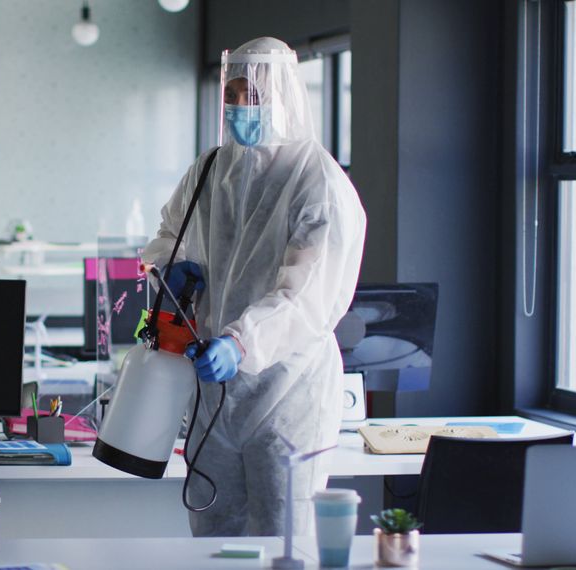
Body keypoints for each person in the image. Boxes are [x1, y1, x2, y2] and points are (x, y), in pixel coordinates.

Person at [144, 37, 366, 537]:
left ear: (285, 97)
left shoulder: (318, 182)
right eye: (234, 94)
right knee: (212, 534)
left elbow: (308, 296)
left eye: (255, 96)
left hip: (288, 391)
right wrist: (171, 267)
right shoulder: (210, 168)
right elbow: (168, 235)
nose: (241, 107)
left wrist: (243, 341)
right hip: (214, 389)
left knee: (284, 536)